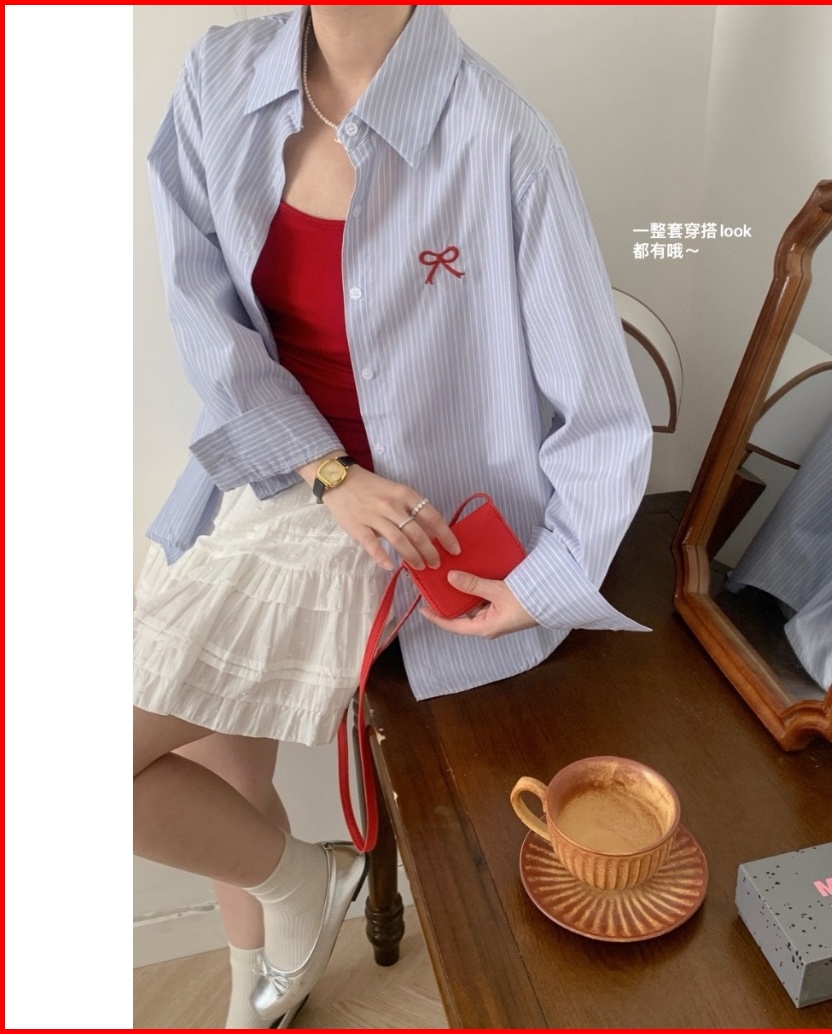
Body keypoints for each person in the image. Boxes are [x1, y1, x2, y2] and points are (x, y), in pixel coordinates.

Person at [134, 5, 652, 1028]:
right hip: (269, 470)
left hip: (398, 524)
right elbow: (204, 311)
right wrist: (326, 472)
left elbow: (601, 408)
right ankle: (269, 958)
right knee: (210, 759)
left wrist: (548, 576)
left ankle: (295, 898)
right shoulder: (219, 72)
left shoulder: (500, 138)